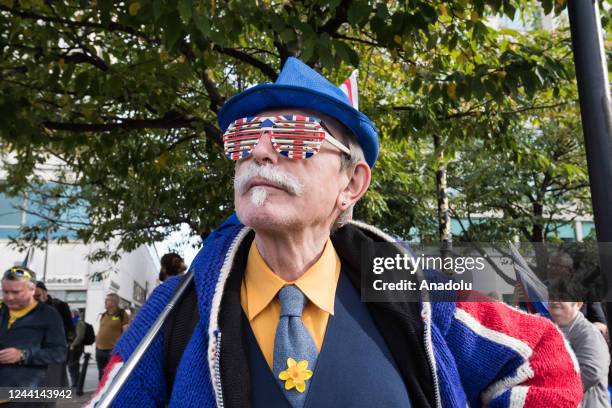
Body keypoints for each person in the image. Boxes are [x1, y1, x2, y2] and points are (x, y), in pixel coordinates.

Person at [88, 58, 582, 407]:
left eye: (293, 136)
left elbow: (539, 357)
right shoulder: (178, 307)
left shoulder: (412, 287)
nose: (260, 153)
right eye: (243, 139)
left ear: (352, 182)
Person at [0, 266, 66, 389]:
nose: (9, 297)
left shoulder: (48, 314)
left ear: (32, 290)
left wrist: (23, 355)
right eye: (5, 291)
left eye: (15, 292)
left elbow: (59, 353)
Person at [549, 279, 610, 407]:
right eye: (552, 296)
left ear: (578, 304)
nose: (555, 301)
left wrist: (553, 388)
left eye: (562, 297)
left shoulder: (589, 333)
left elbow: (592, 371)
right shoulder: (549, 330)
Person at [95, 293, 129, 380]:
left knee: (112, 375)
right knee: (101, 375)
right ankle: (101, 393)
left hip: (112, 350)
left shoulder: (122, 314)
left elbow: (126, 333)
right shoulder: (103, 315)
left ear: (114, 302)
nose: (105, 302)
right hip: (99, 350)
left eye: (107, 300)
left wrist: (123, 348)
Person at [68, 309, 86, 387]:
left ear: (74, 314)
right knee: (72, 365)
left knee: (73, 365)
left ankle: (76, 383)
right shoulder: (73, 323)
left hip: (76, 348)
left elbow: (80, 336)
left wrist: (73, 345)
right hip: (73, 347)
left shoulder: (79, 323)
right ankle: (75, 382)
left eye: (71, 314)